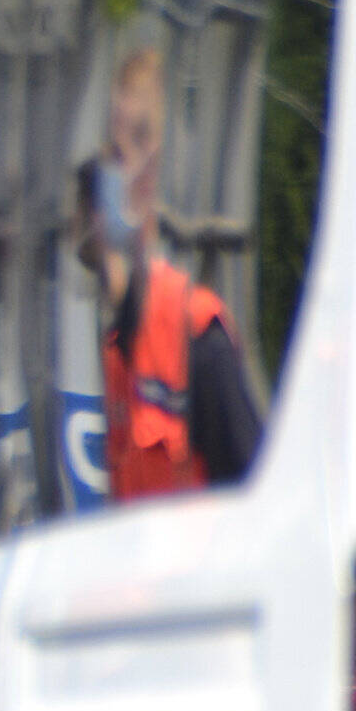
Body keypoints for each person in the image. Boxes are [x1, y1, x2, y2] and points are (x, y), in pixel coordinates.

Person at [79, 48, 263, 497]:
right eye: (113, 145)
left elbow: (258, 511)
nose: (125, 166)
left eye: (141, 139)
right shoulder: (110, 349)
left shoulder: (199, 340)